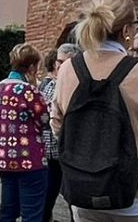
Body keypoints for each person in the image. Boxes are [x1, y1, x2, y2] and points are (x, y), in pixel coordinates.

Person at [51, 0, 138, 222]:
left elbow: (58, 126)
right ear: (126, 30)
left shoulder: (68, 69)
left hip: (83, 189)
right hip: (137, 193)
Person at [0, 44, 51, 222]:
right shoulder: (28, 92)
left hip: (3, 158)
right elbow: (44, 120)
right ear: (31, 67)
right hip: (29, 159)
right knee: (32, 213)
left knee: (8, 209)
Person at [40, 41, 81, 221]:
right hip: (51, 150)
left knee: (74, 197)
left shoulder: (79, 85)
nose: (60, 66)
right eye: (59, 61)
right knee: (48, 194)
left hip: (71, 151)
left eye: (66, 62)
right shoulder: (48, 86)